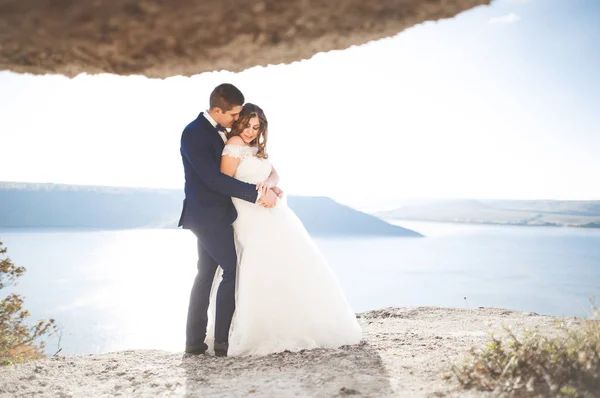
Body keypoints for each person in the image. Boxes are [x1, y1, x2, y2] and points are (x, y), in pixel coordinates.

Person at [205, 103, 362, 356]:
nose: (250, 131)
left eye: (256, 127)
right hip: (247, 214)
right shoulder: (233, 144)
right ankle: (254, 329)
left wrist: (268, 185)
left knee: (284, 262)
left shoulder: (254, 148)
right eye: (246, 125)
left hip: (269, 211)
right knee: (257, 263)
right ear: (239, 123)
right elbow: (225, 184)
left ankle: (288, 320)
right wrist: (258, 197)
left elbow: (274, 173)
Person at [178, 84, 279, 357]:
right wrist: (256, 195)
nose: (238, 120)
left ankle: (195, 343)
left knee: (206, 275)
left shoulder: (227, 134)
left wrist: (267, 184)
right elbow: (212, 179)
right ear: (217, 110)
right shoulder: (194, 133)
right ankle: (221, 342)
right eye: (234, 115)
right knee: (232, 270)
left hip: (222, 214)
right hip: (206, 215)